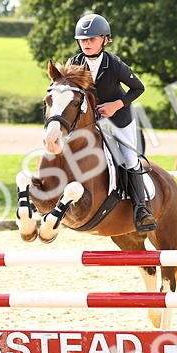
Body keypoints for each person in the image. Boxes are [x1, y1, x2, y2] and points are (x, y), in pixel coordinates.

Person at [66, 12, 155, 232]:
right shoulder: (74, 63)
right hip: (89, 122)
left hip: (119, 120)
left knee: (129, 158)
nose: (86, 43)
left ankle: (141, 209)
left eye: (92, 39)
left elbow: (138, 88)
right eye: (83, 39)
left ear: (104, 40)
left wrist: (117, 104)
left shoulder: (114, 64)